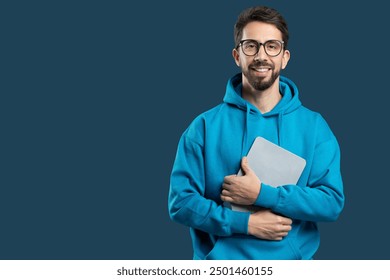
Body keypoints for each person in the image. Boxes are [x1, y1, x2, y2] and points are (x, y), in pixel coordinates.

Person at [168, 6, 344, 260]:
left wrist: (262, 194)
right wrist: (245, 224)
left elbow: (331, 203)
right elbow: (181, 204)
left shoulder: (315, 127)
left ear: (285, 57)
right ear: (237, 55)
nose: (261, 55)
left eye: (271, 46)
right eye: (251, 46)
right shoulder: (204, 127)